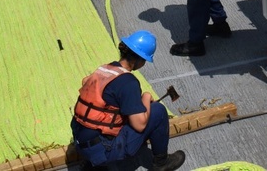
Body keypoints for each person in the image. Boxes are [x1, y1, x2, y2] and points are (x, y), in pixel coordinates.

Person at [71, 30, 185, 171]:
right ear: (140, 60)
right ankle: (161, 163)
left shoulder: (105, 69)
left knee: (114, 115)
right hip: (103, 151)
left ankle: (93, 165)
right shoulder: (129, 82)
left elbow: (85, 82)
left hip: (80, 143)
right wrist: (146, 97)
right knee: (158, 111)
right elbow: (139, 125)